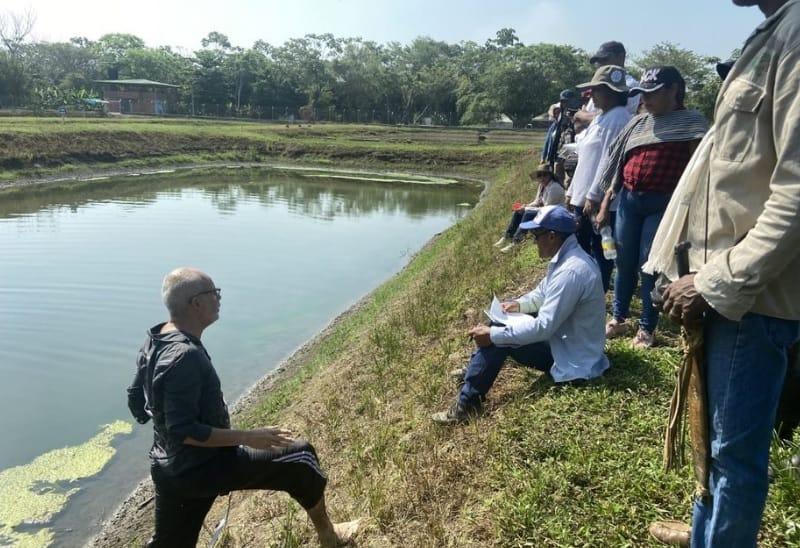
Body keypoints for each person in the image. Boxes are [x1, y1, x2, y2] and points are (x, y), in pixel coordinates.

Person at [652, 0, 800, 545]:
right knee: (715, 449)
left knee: (734, 458)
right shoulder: (773, 33)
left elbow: (796, 192)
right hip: (738, 295)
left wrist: (715, 282)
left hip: (751, 299)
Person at [127, 267, 359, 547]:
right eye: (214, 292)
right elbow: (183, 430)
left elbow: (134, 396)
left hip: (167, 467)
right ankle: (329, 536)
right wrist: (248, 437)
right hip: (201, 467)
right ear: (196, 303)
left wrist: (151, 415)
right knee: (301, 457)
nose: (219, 298)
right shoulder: (184, 357)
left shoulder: (156, 336)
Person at [432, 205, 609, 424]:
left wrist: (494, 336)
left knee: (498, 337)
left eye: (536, 236)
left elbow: (544, 327)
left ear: (552, 236)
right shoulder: (568, 259)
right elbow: (542, 293)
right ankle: (474, 371)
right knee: (500, 320)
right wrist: (516, 304)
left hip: (572, 358)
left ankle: (466, 405)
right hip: (565, 343)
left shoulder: (571, 272)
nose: (534, 241)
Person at [596, 66, 708, 349]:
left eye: (652, 93)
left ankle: (647, 327)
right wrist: (606, 201)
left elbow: (699, 171)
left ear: (673, 90)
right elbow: (619, 164)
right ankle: (619, 317)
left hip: (664, 204)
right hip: (629, 201)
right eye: (642, 93)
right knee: (623, 260)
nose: (645, 99)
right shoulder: (639, 123)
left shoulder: (693, 123)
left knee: (650, 264)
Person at [566, 64, 633, 292]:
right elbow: (586, 157)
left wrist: (594, 196)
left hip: (596, 201)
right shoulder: (601, 118)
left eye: (597, 89)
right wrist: (572, 191)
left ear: (612, 92)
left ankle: (595, 294)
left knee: (600, 251)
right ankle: (584, 292)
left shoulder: (618, 119)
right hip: (582, 197)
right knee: (582, 248)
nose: (592, 94)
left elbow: (609, 162)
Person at [495, 163, 565, 252]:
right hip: (545, 211)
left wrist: (526, 209)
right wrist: (526, 206)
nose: (542, 178)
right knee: (519, 211)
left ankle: (516, 242)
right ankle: (507, 236)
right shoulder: (542, 186)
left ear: (550, 175)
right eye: (540, 175)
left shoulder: (554, 188)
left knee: (528, 213)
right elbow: (537, 201)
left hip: (554, 215)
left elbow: (547, 209)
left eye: (545, 175)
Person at [573, 41, 640, 129]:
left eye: (605, 59)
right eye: (598, 61)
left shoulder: (630, 85)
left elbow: (611, 117)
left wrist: (581, 115)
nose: (600, 64)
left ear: (621, 57)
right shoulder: (600, 85)